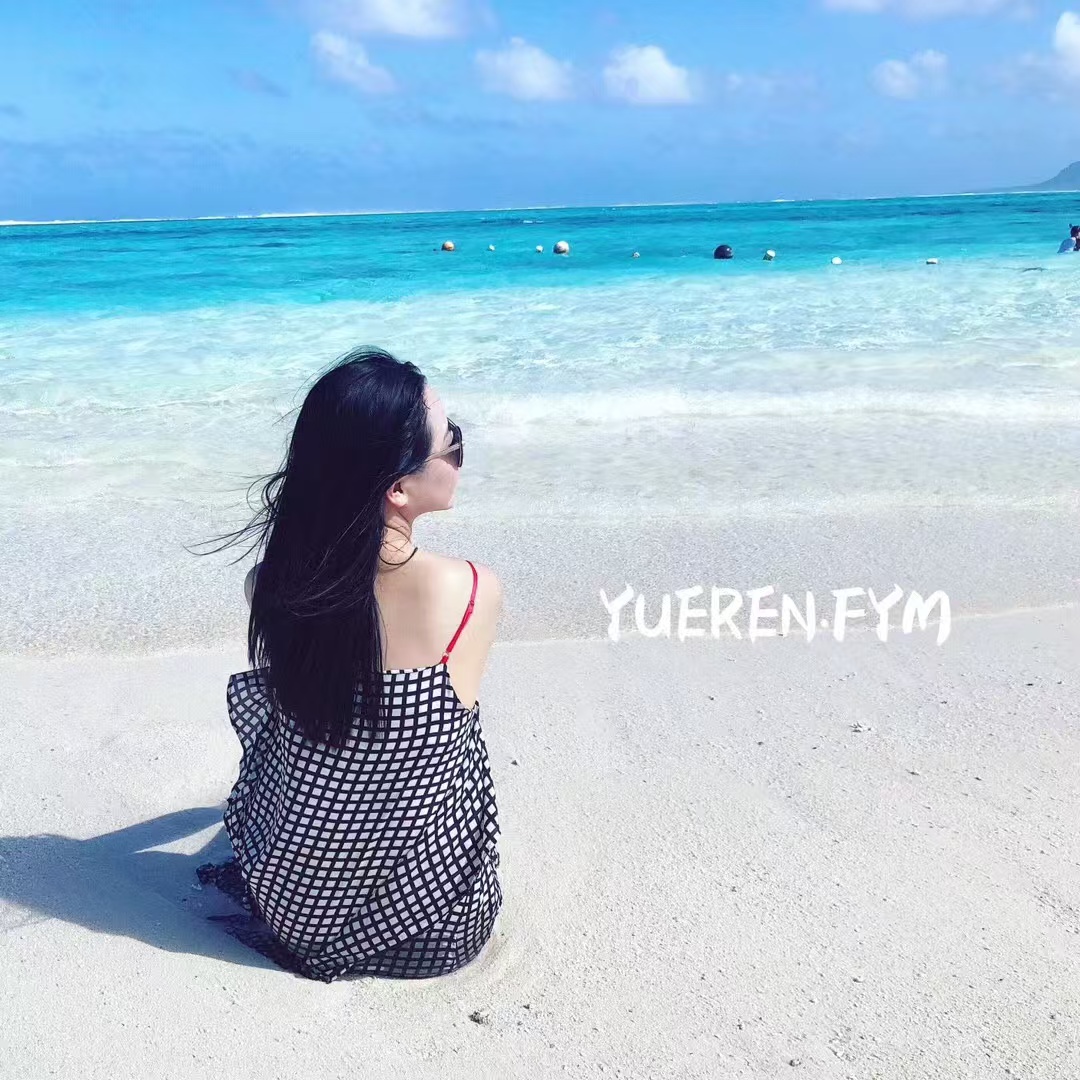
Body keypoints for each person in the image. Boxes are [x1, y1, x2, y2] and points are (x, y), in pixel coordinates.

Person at [195, 348, 504, 982]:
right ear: (398, 488)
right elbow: (430, 765)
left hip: (290, 907)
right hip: (430, 932)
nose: (458, 454)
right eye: (452, 442)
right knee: (457, 746)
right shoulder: (469, 590)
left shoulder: (270, 586)